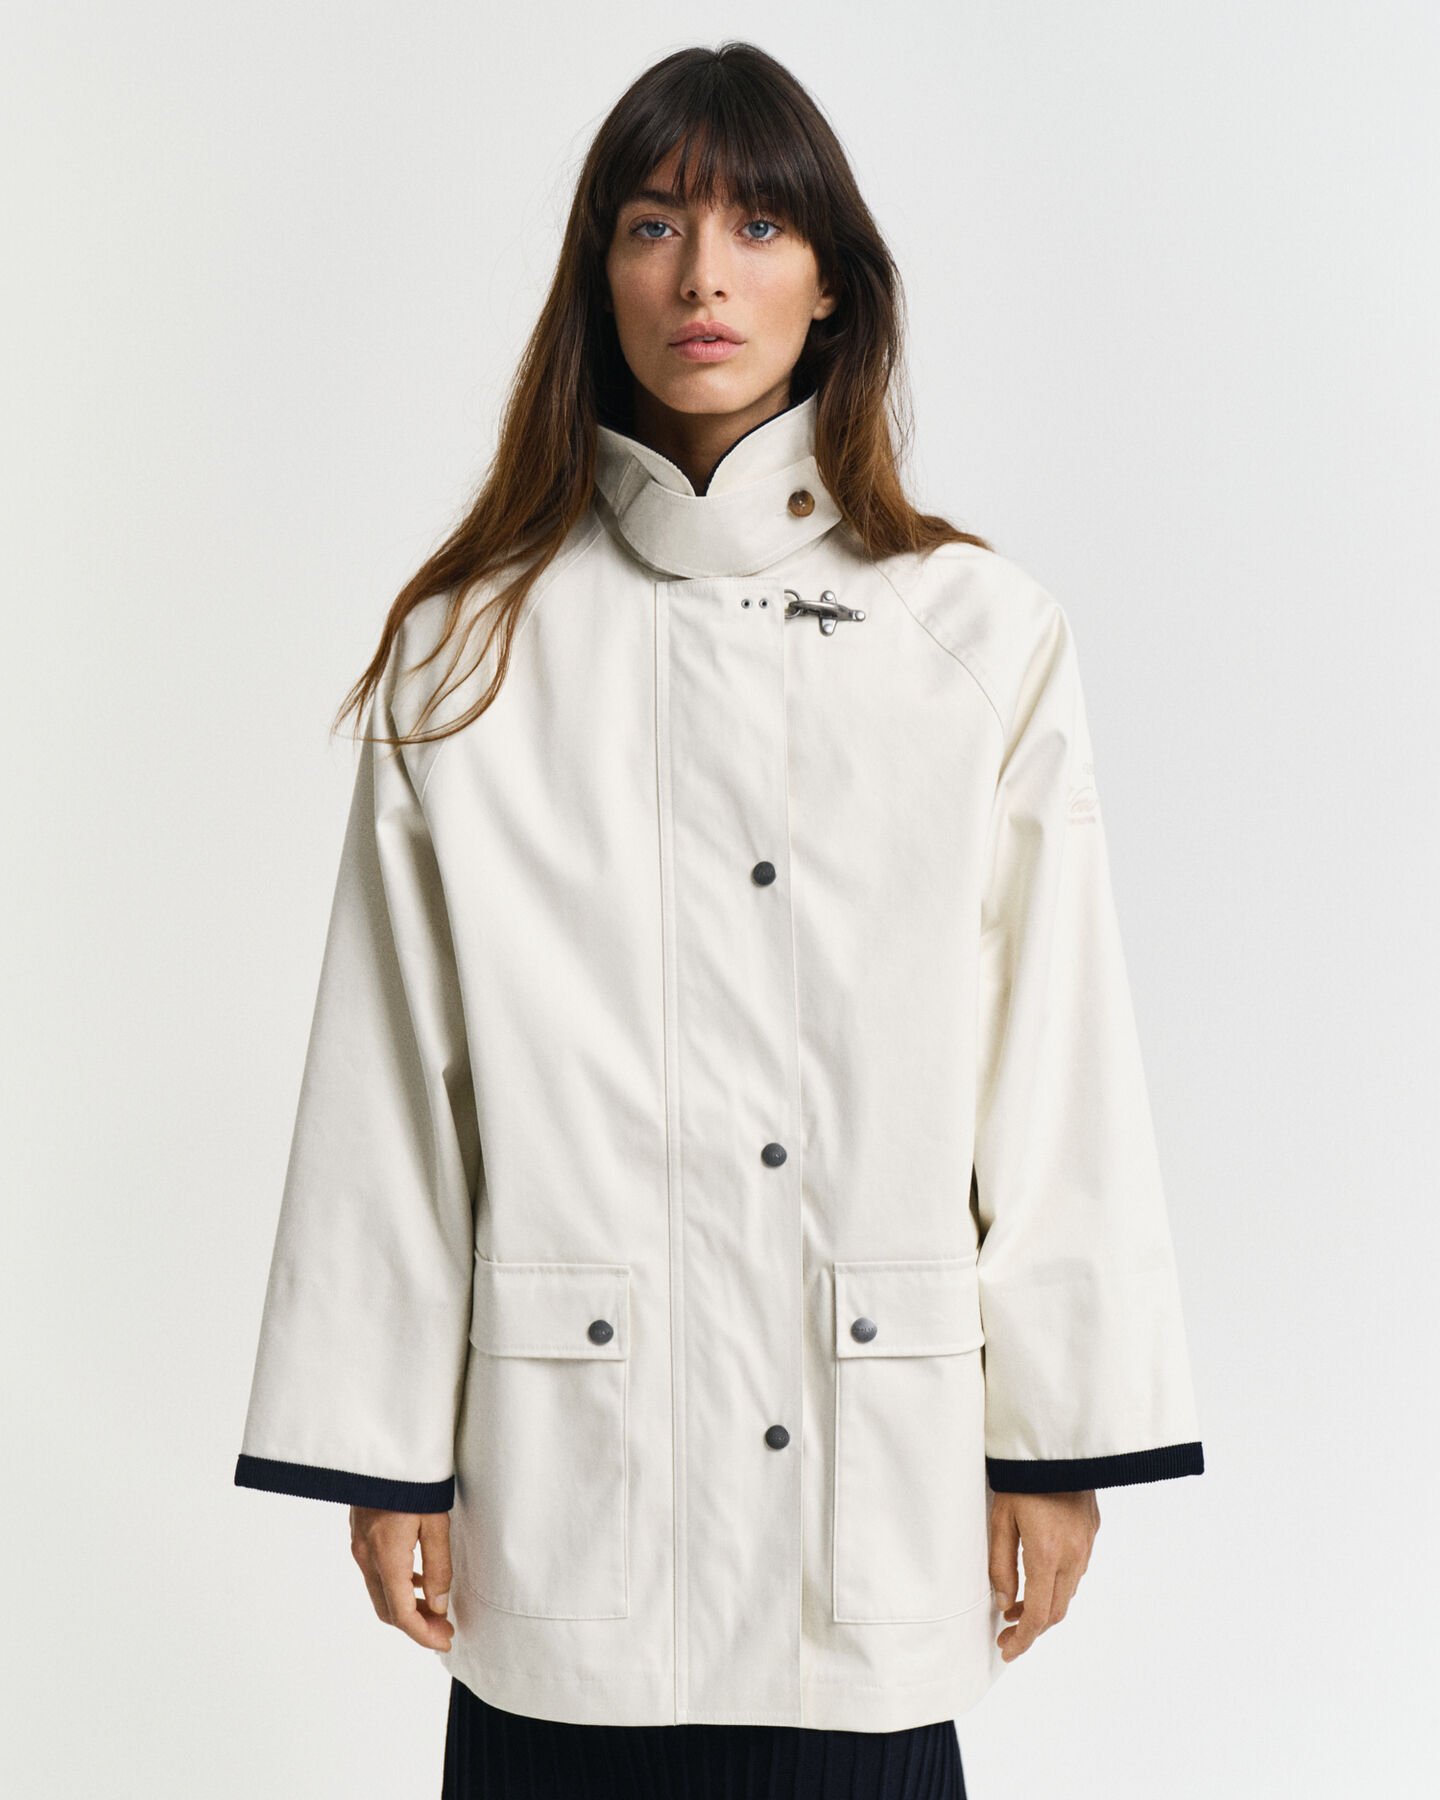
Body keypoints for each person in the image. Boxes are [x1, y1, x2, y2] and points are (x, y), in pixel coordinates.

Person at [233, 41, 1205, 1800]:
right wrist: (384, 1456)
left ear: (832, 284)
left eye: (759, 225)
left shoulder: (976, 637)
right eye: (653, 224)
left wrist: (1057, 1442)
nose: (702, 275)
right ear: (598, 278)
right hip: (570, 1486)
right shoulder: (470, 652)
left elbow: (1055, 1060)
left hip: (869, 1481)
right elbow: (389, 1081)